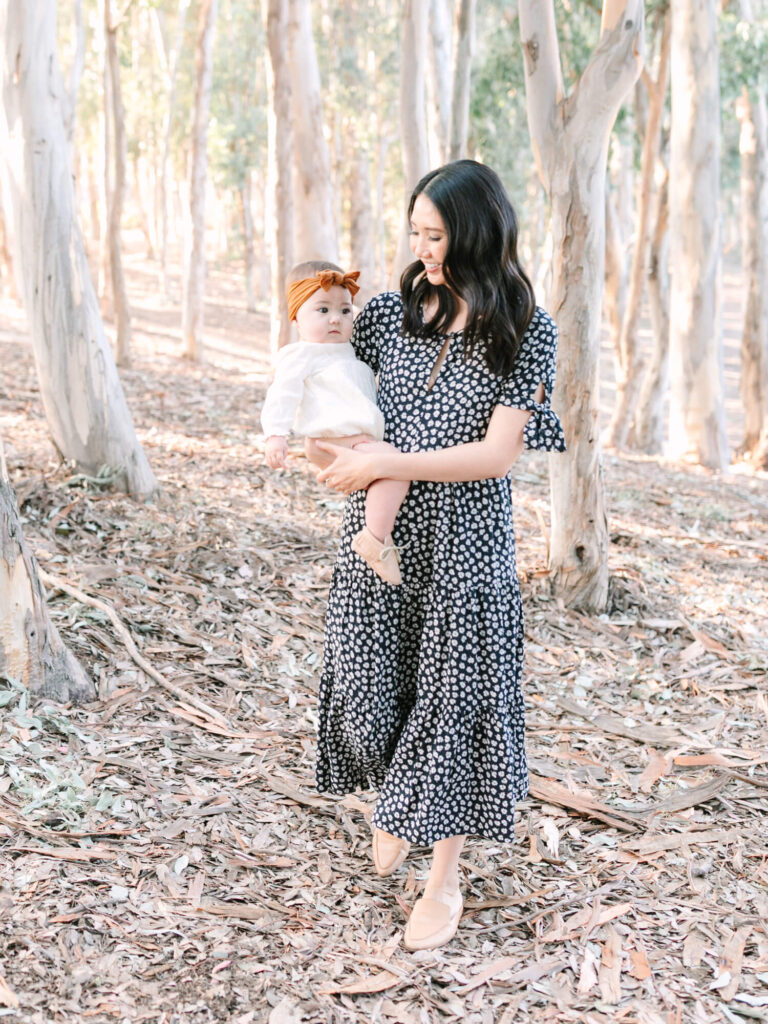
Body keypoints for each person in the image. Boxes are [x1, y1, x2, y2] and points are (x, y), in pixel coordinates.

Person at [312, 160, 566, 952]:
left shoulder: (526, 329)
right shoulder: (390, 317)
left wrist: (388, 465)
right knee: (366, 680)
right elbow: (334, 384)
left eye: (437, 235)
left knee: (454, 702)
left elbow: (495, 457)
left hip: (466, 542)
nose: (423, 249)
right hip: (378, 539)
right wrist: (318, 446)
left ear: (478, 235)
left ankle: (443, 876)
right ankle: (400, 799)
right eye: (416, 232)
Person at [261, 261, 410, 584]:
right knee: (397, 468)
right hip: (335, 437)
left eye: (345, 311)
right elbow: (282, 393)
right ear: (297, 317)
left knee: (389, 474)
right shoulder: (302, 354)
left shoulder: (348, 353)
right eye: (322, 309)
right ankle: (375, 538)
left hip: (353, 437)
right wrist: (276, 434)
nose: (335, 319)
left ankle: (376, 533)